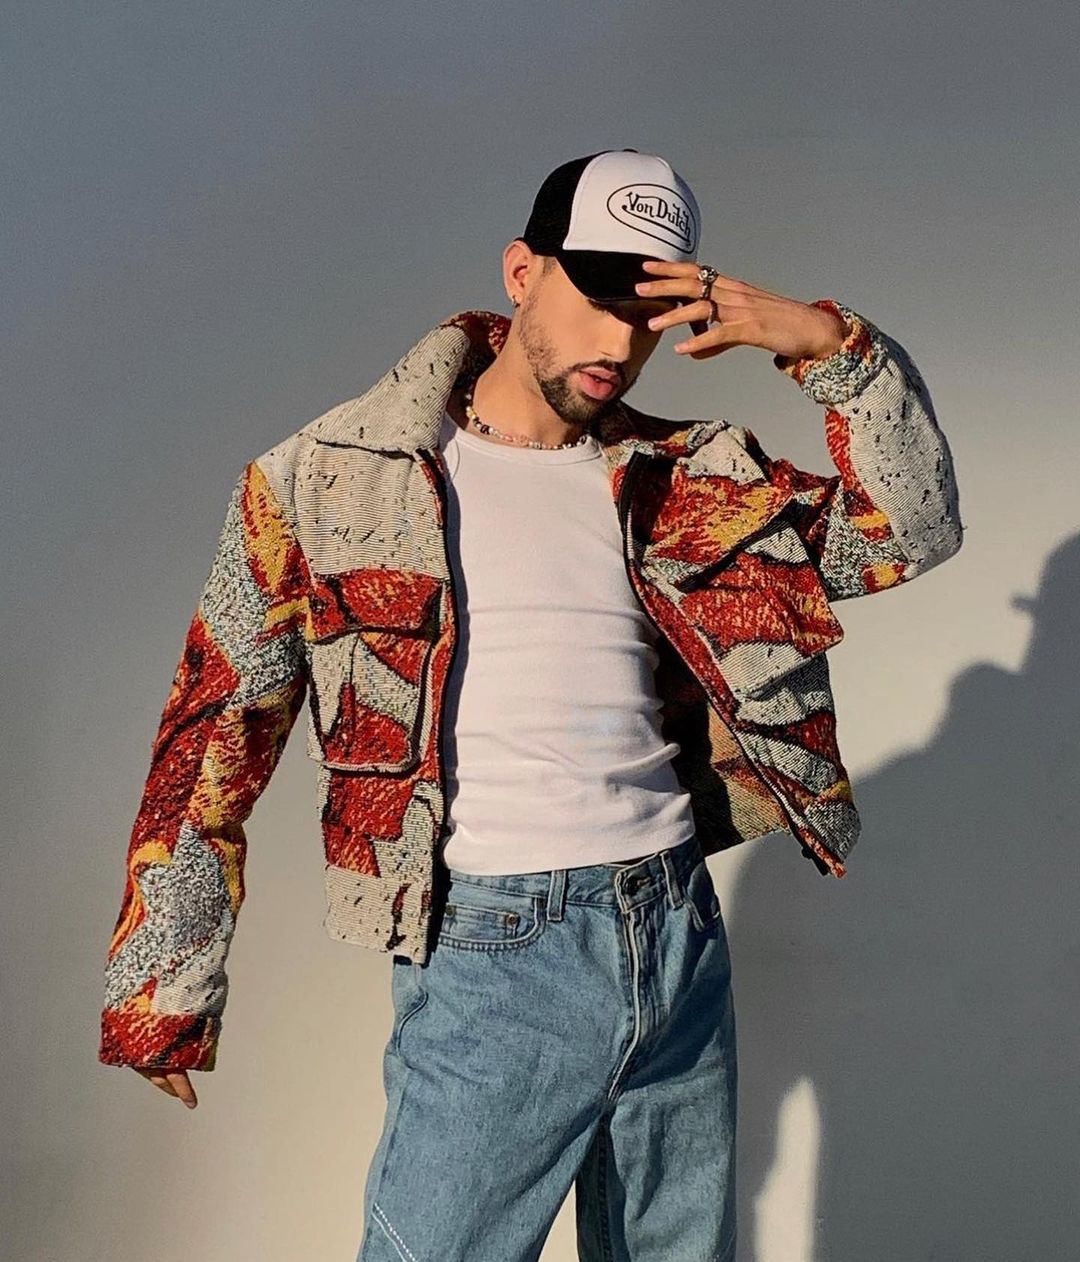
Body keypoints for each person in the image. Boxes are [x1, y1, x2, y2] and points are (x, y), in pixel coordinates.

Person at [98, 148, 963, 1261]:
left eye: (647, 314)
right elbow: (216, 727)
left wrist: (824, 343)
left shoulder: (690, 480)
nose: (620, 341)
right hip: (491, 957)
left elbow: (913, 528)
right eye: (598, 299)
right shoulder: (330, 476)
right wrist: (162, 984)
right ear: (521, 273)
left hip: (676, 930)